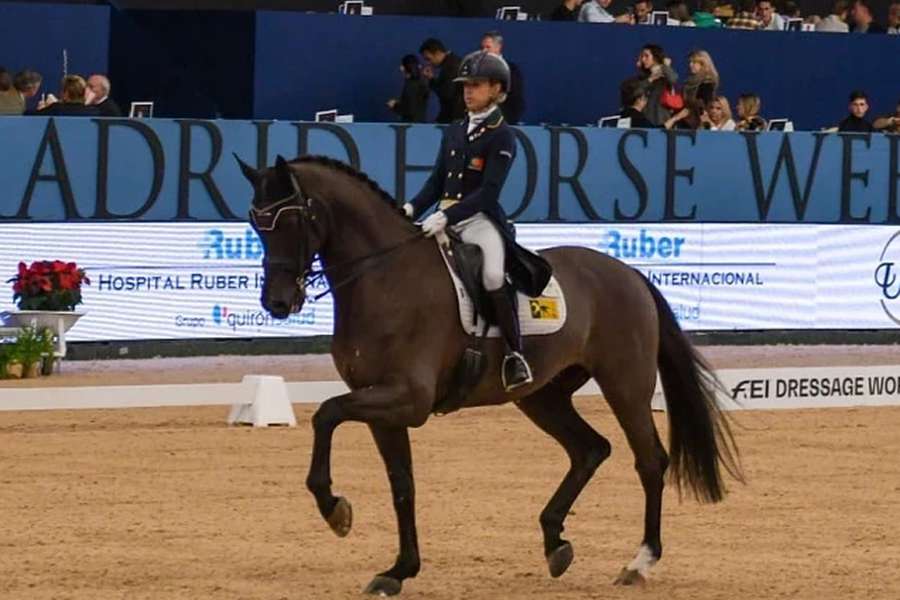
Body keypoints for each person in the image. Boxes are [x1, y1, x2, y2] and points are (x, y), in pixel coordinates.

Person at [400, 51, 534, 392]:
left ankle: (514, 355)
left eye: (475, 86)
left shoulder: (502, 135)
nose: (467, 92)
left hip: (478, 220)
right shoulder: (455, 130)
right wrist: (411, 209)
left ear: (497, 89)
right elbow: (436, 182)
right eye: (465, 86)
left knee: (491, 275)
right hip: (442, 217)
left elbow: (488, 193)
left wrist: (445, 216)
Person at [664, 50, 719, 129]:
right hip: (684, 121)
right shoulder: (689, 82)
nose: (690, 65)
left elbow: (705, 106)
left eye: (693, 62)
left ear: (703, 64)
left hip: (696, 126)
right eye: (690, 62)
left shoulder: (707, 84)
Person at [480, 31, 525, 124]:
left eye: (488, 47)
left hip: (504, 121)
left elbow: (516, 99)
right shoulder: (476, 69)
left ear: (498, 47)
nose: (484, 51)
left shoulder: (511, 70)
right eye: (482, 47)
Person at [419, 38, 465, 123]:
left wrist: (432, 81)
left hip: (454, 118)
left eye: (429, 59)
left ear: (437, 53)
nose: (429, 63)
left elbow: (447, 94)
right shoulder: (452, 63)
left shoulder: (451, 66)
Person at [634, 44, 678, 127]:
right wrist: (650, 79)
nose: (643, 59)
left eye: (646, 56)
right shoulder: (644, 77)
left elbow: (674, 79)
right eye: (642, 56)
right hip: (645, 121)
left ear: (656, 57)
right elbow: (636, 93)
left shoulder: (665, 74)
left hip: (662, 120)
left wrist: (665, 66)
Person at [31, 75, 100, 117]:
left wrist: (41, 109)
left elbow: (29, 116)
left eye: (61, 90)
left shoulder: (56, 109)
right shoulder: (94, 112)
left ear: (66, 93)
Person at [387, 55, 430, 123]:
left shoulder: (412, 85)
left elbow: (410, 110)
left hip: (410, 126)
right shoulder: (421, 82)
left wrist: (394, 105)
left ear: (402, 68)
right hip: (419, 124)